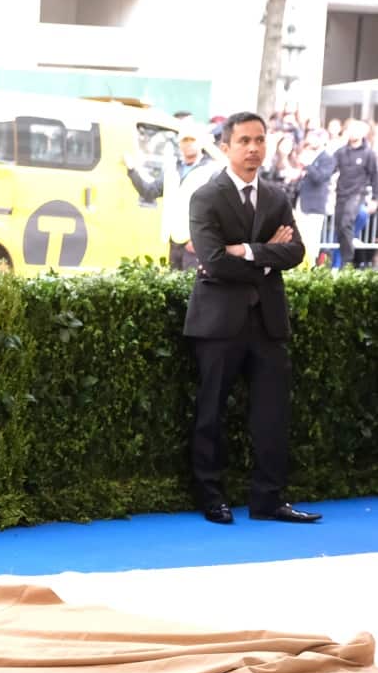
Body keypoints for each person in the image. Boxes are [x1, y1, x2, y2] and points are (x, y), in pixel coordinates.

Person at [185, 112, 320, 526]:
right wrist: (265, 257)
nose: (254, 148)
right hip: (218, 322)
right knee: (211, 412)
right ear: (226, 147)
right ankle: (211, 496)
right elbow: (211, 261)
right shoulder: (206, 197)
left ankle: (269, 499)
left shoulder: (278, 197)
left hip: (268, 322)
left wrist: (244, 251)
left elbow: (295, 252)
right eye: (244, 141)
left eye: (260, 140)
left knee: (272, 414)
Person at [125, 121, 220, 269]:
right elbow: (149, 192)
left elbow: (217, 211)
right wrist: (132, 170)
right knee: (173, 285)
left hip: (196, 243)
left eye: (192, 140)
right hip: (173, 240)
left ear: (201, 142)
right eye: (184, 140)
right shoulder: (172, 169)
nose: (188, 144)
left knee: (191, 286)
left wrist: (201, 239)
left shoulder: (212, 171)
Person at [331, 118, 378, 269]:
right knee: (340, 230)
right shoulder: (340, 152)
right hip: (341, 195)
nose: (353, 133)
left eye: (356, 129)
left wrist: (375, 199)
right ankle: (340, 265)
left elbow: (375, 176)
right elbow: (328, 171)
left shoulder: (369, 153)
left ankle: (347, 260)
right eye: (350, 129)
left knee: (346, 225)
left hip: (357, 195)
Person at [295, 128, 336, 267]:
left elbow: (320, 178)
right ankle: (299, 267)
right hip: (301, 203)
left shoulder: (328, 159)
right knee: (299, 238)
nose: (310, 141)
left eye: (313, 137)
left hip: (315, 206)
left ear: (322, 140)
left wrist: (308, 165)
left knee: (311, 240)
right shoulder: (307, 155)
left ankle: (310, 267)